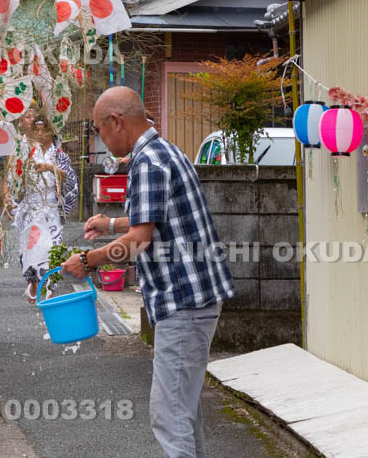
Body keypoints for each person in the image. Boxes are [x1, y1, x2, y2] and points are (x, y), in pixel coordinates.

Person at [61, 87, 235, 458]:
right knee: (182, 415)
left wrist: (89, 260)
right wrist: (109, 224)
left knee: (170, 415)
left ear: (116, 122)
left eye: (99, 130)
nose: (103, 141)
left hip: (183, 301)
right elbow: (158, 217)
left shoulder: (147, 162)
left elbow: (139, 239)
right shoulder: (166, 152)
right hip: (195, 298)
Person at [13, 109, 77, 303]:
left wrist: (49, 167)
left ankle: (50, 288)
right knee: (32, 247)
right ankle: (33, 282)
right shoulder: (25, 152)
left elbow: (69, 179)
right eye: (36, 130)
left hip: (50, 206)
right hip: (31, 206)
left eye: (44, 130)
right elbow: (14, 179)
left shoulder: (59, 155)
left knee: (53, 246)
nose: (40, 134)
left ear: (50, 131)